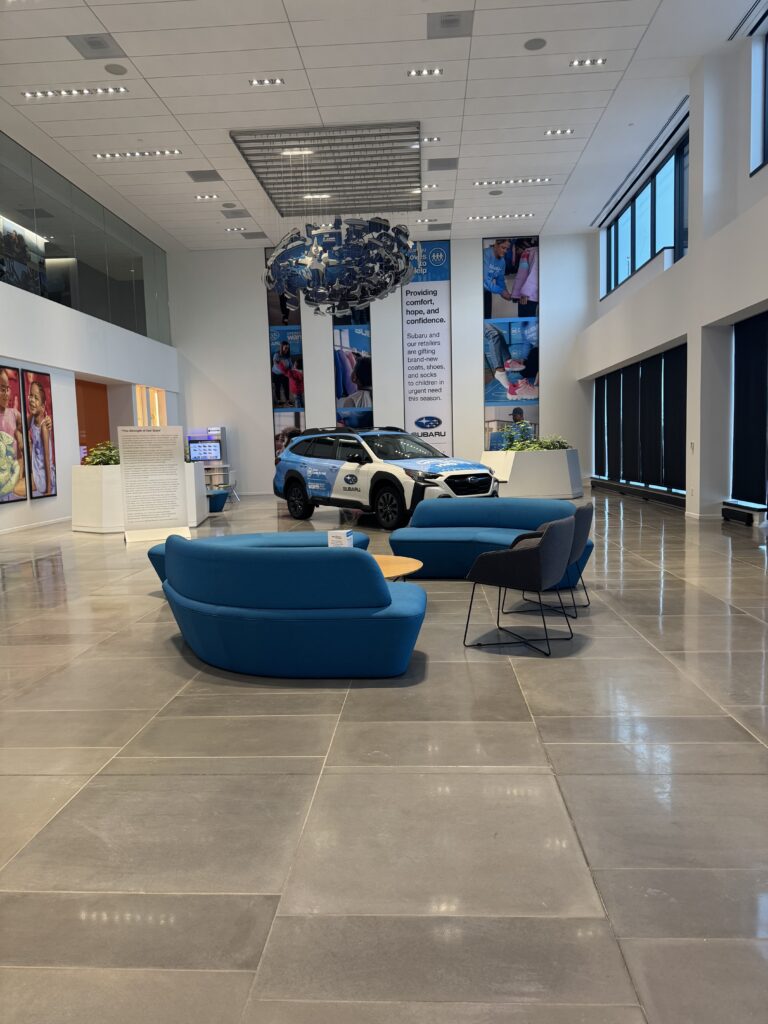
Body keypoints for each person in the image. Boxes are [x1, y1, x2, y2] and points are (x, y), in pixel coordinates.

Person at [0, 367, 26, 501]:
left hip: (14, 478)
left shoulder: (14, 414)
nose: (5, 394)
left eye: (7, 388)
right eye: (1, 389)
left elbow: (28, 425)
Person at [26, 379, 55, 497]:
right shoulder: (32, 419)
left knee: (18, 488)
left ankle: (44, 486)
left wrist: (48, 489)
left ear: (43, 406)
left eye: (36, 398)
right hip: (36, 467)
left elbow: (47, 460)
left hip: (42, 474)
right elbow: (20, 428)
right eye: (30, 396)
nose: (32, 400)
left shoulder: (43, 427)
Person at [483, 239, 513, 318]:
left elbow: (500, 281)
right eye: (503, 248)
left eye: (507, 249)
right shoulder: (486, 254)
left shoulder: (502, 262)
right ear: (496, 245)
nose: (505, 251)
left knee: (487, 319)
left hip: (487, 291)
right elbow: (484, 280)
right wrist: (501, 291)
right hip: (475, 291)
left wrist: (507, 294)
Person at [271, 340, 292, 406]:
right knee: (277, 387)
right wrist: (284, 370)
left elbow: (290, 364)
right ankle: (279, 401)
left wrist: (290, 370)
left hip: (285, 374)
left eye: (288, 348)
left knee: (286, 387)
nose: (287, 349)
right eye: (285, 348)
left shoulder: (288, 356)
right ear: (282, 347)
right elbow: (275, 364)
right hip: (276, 374)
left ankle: (288, 401)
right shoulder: (276, 355)